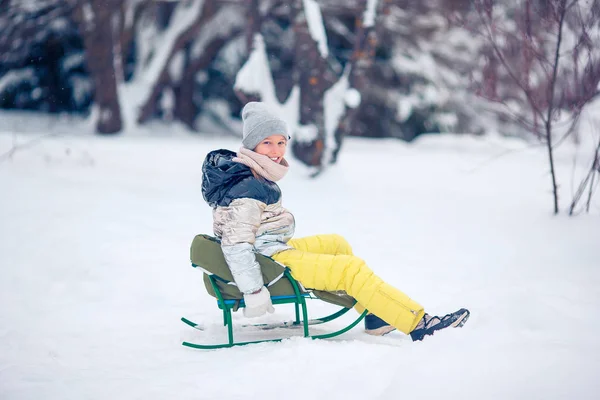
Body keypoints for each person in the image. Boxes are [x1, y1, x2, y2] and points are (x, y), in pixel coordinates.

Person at [201, 102, 470, 341]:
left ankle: (376, 315)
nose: (276, 150)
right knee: (349, 269)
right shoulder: (247, 188)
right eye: (267, 142)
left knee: (336, 243)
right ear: (252, 145)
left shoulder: (252, 175)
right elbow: (236, 244)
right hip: (269, 262)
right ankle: (418, 324)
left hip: (270, 249)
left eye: (281, 142)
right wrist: (254, 290)